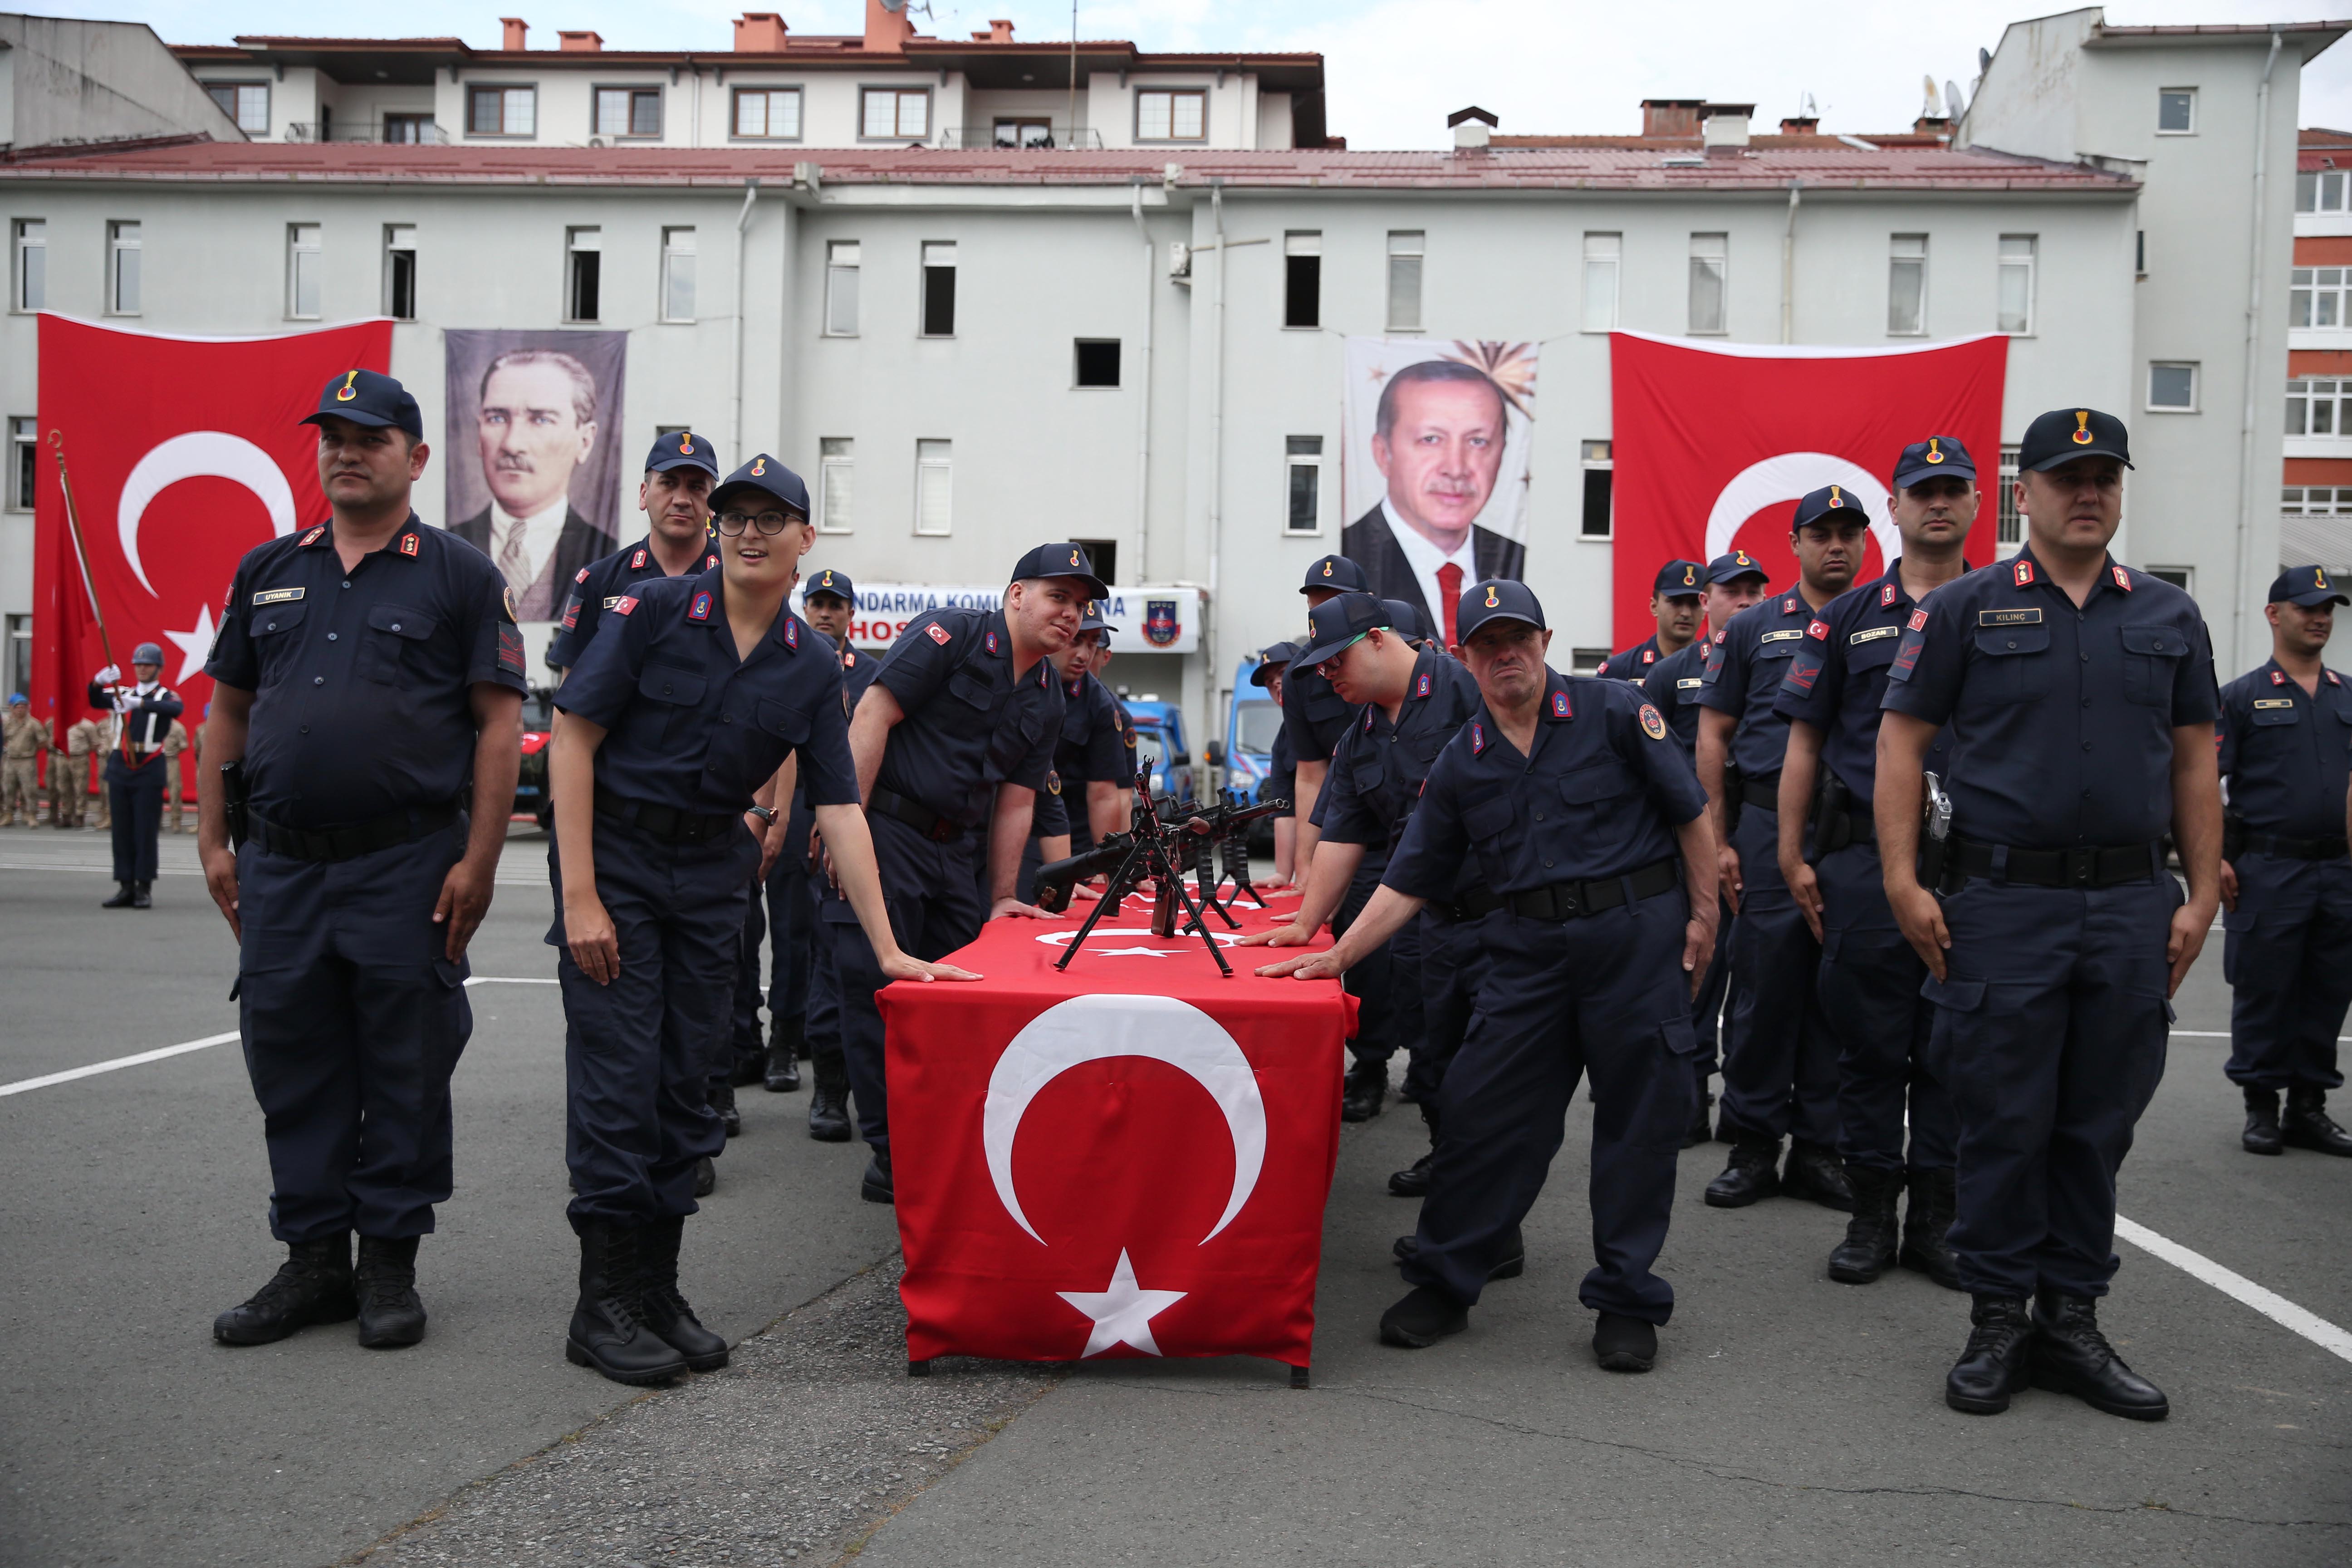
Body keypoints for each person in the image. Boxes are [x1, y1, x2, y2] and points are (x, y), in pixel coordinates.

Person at [547, 452, 974, 1385]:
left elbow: (843, 805)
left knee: (686, 1085)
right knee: (620, 1085)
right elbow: (573, 739)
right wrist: (578, 894)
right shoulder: (652, 612)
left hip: (710, 875)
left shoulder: (811, 664)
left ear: (804, 540)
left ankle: (654, 1290)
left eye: (770, 518)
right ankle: (602, 1305)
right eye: (735, 516)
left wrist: (892, 945)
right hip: (617, 865)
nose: (747, 531)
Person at [1262, 579, 1715, 1372]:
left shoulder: (1615, 711)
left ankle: (1623, 1298)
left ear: (1542, 639)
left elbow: (1688, 812)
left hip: (1633, 947)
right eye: (1486, 644)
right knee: (1478, 1115)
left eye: (1517, 638)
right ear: (1465, 657)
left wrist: (1704, 917)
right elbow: (1406, 878)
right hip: (1527, 956)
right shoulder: (1461, 762)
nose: (1505, 655)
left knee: (1636, 1127)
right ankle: (1445, 1279)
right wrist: (1337, 953)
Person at [1879, 406, 2219, 1422]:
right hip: (2003, 902)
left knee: (2096, 1122)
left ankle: (2070, 1318)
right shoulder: (1966, 611)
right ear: (2023, 494)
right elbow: (1901, 743)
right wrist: (1902, 881)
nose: (2089, 493)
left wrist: (2202, 895)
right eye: (2068, 476)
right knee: (2001, 1117)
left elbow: (2198, 759)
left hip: (2126, 903)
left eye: (2105, 477)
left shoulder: (2167, 616)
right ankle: (1996, 1320)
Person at [200, 368, 525, 1352]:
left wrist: (479, 862)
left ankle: (388, 1262)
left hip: (407, 866)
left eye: (370, 436)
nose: (347, 450)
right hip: (283, 869)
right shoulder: (269, 568)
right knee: (291, 1064)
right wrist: (214, 839)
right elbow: (228, 710)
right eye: (333, 435)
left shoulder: (461, 575)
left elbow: (499, 729)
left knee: (406, 1062)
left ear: (416, 458)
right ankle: (312, 1264)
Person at [827, 542, 1095, 1202]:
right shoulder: (952, 634)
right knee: (874, 993)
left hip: (957, 857)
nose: (1070, 615)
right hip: (887, 832)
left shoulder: (1047, 698)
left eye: (1081, 606)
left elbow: (1018, 800)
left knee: (955, 1002)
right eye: (1058, 597)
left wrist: (1002, 896)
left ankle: (938, 1137)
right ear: (1017, 596)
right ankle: (891, 1155)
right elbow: (872, 715)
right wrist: (848, 829)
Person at [1774, 438, 1977, 1290]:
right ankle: (1867, 1219)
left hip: (1969, 867)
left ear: (1974, 505)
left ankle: (1933, 1223)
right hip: (1860, 858)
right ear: (1891, 508)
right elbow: (1804, 739)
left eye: (1951, 491)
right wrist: (1789, 852)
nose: (1936, 504)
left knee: (1951, 1048)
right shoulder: (1846, 617)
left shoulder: (2001, 607)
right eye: (1919, 492)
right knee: (1866, 1047)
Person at [1240, 592, 1483, 1196]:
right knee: (1428, 1055)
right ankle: (1449, 1163)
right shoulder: (1362, 736)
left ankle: (1480, 1203)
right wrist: (1308, 922)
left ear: (1378, 640)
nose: (1326, 676)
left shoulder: (1465, 691)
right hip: (1421, 916)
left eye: (1334, 662)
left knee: (1485, 1069)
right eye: (1318, 667)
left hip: (1496, 918)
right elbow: (1343, 835)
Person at [1696, 491, 1865, 1211]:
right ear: (1795, 544)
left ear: (1865, 544)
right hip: (1765, 827)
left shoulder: (1887, 621)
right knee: (1764, 987)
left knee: (1839, 987)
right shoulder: (1755, 627)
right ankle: (1755, 1143)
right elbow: (1713, 736)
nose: (1835, 546)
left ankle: (1821, 1148)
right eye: (1820, 535)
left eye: (1847, 535)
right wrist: (1720, 841)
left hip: (1852, 830)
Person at [2216, 568, 2352, 1158]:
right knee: (2265, 987)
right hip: (2269, 869)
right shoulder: (2243, 697)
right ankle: (2262, 1107)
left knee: (2329, 989)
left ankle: (2309, 1107)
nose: (2320, 617)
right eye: (2307, 607)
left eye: (2327, 608)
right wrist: (2215, 859)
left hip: (2339, 871)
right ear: (2276, 615)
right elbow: (2206, 785)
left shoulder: (2350, 695)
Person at [1643, 551, 1769, 1144]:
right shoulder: (1672, 676)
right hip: (1693, 855)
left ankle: (1749, 1119)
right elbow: (1650, 769)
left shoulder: (1783, 662)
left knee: (1760, 990)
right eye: (1732, 592)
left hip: (1765, 843)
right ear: (1706, 602)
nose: (1744, 603)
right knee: (1693, 980)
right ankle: (1687, 1103)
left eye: (1754, 592)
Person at [1284, 554, 1398, 1120]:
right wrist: (1304, 869)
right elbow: (1312, 773)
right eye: (1314, 605)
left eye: (1333, 602)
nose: (1321, 614)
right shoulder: (1307, 675)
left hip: (1412, 825)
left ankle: (1427, 1063)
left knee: (1418, 953)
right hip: (1356, 829)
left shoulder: (1402, 648)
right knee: (1358, 943)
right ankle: (1371, 1062)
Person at [769, 569, 872, 1145]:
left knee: (833, 943)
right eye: (818, 603)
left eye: (836, 605)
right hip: (791, 812)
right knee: (786, 934)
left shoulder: (871, 675)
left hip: (842, 815)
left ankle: (814, 1053)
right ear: (805, 607)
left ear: (852, 613)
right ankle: (782, 1044)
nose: (826, 613)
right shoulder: (785, 658)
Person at [1340, 361, 1524, 642]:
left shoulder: (1515, 558)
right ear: (1382, 453)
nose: (1456, 468)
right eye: (1431, 439)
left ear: (1502, 454)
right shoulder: (1350, 566)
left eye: (1477, 442)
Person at [450, 349, 614, 619]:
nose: (512, 444)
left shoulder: (608, 556)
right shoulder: (448, 550)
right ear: (479, 434)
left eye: (541, 420)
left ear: (584, 441)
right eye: (497, 418)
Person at [544, 431, 722, 678]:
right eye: (669, 483)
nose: (682, 499)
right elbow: (568, 698)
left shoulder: (735, 580)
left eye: (696, 487)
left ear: (712, 504)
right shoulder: (599, 581)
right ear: (643, 494)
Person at [89, 643, 184, 909]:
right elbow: (95, 700)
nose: (142, 668)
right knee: (121, 830)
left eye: (148, 664)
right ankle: (125, 885)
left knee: (145, 829)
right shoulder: (123, 693)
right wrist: (98, 683)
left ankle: (144, 887)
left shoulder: (166, 695)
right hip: (120, 763)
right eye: (138, 665)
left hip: (148, 765)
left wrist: (140, 704)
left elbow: (176, 709)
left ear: (159, 668)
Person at [1598, 560, 1706, 680]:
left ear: (1705, 608)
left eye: (1695, 604)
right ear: (1654, 607)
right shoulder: (1619, 671)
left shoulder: (1717, 670)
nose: (1686, 613)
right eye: (1676, 602)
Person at [1251, 642, 1299, 884]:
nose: (1277, 684)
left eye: (1283, 673)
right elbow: (1285, 810)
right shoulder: (1283, 740)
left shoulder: (1345, 709)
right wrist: (1284, 873)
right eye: (1270, 682)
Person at [1, 694, 47, 825]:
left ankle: (31, 814)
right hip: (10, 760)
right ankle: (8, 814)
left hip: (27, 761)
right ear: (12, 708)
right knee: (8, 788)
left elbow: (43, 742)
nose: (20, 710)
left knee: (29, 789)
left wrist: (31, 750)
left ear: (27, 708)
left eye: (23, 707)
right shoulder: (7, 724)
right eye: (17, 707)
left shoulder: (34, 724)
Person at [58, 707, 106, 830]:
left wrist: (84, 751)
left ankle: (80, 815)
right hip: (63, 758)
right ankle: (66, 815)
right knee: (64, 787)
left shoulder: (87, 726)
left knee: (80, 788)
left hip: (79, 759)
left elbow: (96, 743)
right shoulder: (60, 724)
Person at [163, 717, 191, 833]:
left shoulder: (177, 727)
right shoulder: (155, 723)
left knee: (174, 791)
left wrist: (173, 751)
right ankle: (155, 820)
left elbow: (184, 745)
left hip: (171, 760)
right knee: (152, 791)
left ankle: (176, 820)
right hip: (155, 761)